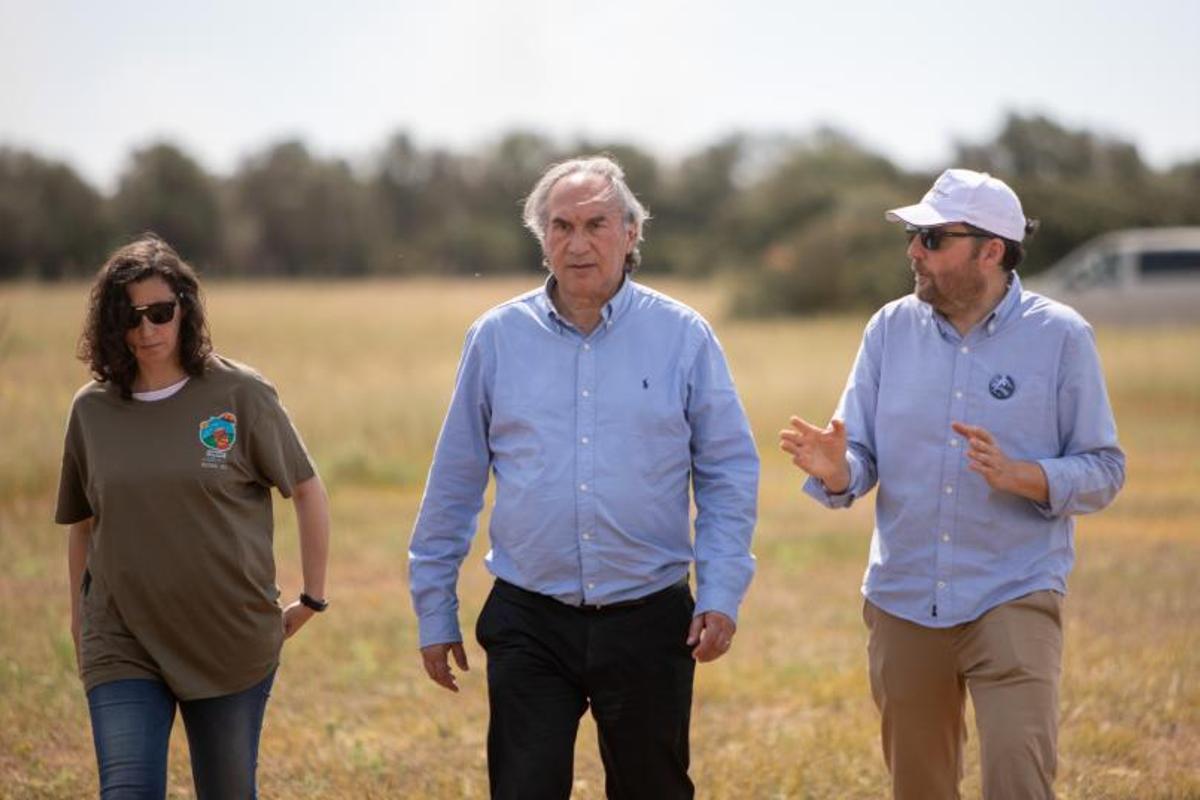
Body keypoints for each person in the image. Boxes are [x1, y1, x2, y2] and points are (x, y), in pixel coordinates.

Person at [409, 155, 759, 799]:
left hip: (650, 616)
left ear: (631, 234)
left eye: (596, 224)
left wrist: (721, 590)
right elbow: (455, 478)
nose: (578, 243)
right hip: (528, 617)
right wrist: (435, 608)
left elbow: (727, 470)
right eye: (560, 226)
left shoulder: (683, 336)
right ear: (542, 239)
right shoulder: (495, 339)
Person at [779, 169, 1125, 799]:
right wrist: (839, 471)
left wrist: (1026, 476)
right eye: (914, 236)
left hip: (1014, 589)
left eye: (932, 238)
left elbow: (1105, 468)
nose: (914, 250)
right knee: (921, 789)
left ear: (991, 250)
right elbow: (859, 451)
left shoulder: (1061, 337)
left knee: (1018, 780)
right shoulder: (889, 328)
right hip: (904, 597)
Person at [55, 234, 332, 799]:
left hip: (227, 639)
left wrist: (312, 597)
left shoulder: (240, 394)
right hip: (121, 636)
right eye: (130, 317)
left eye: (161, 312)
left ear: (185, 308)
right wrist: (81, 624)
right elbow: (82, 525)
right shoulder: (92, 410)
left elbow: (305, 488)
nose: (147, 329)